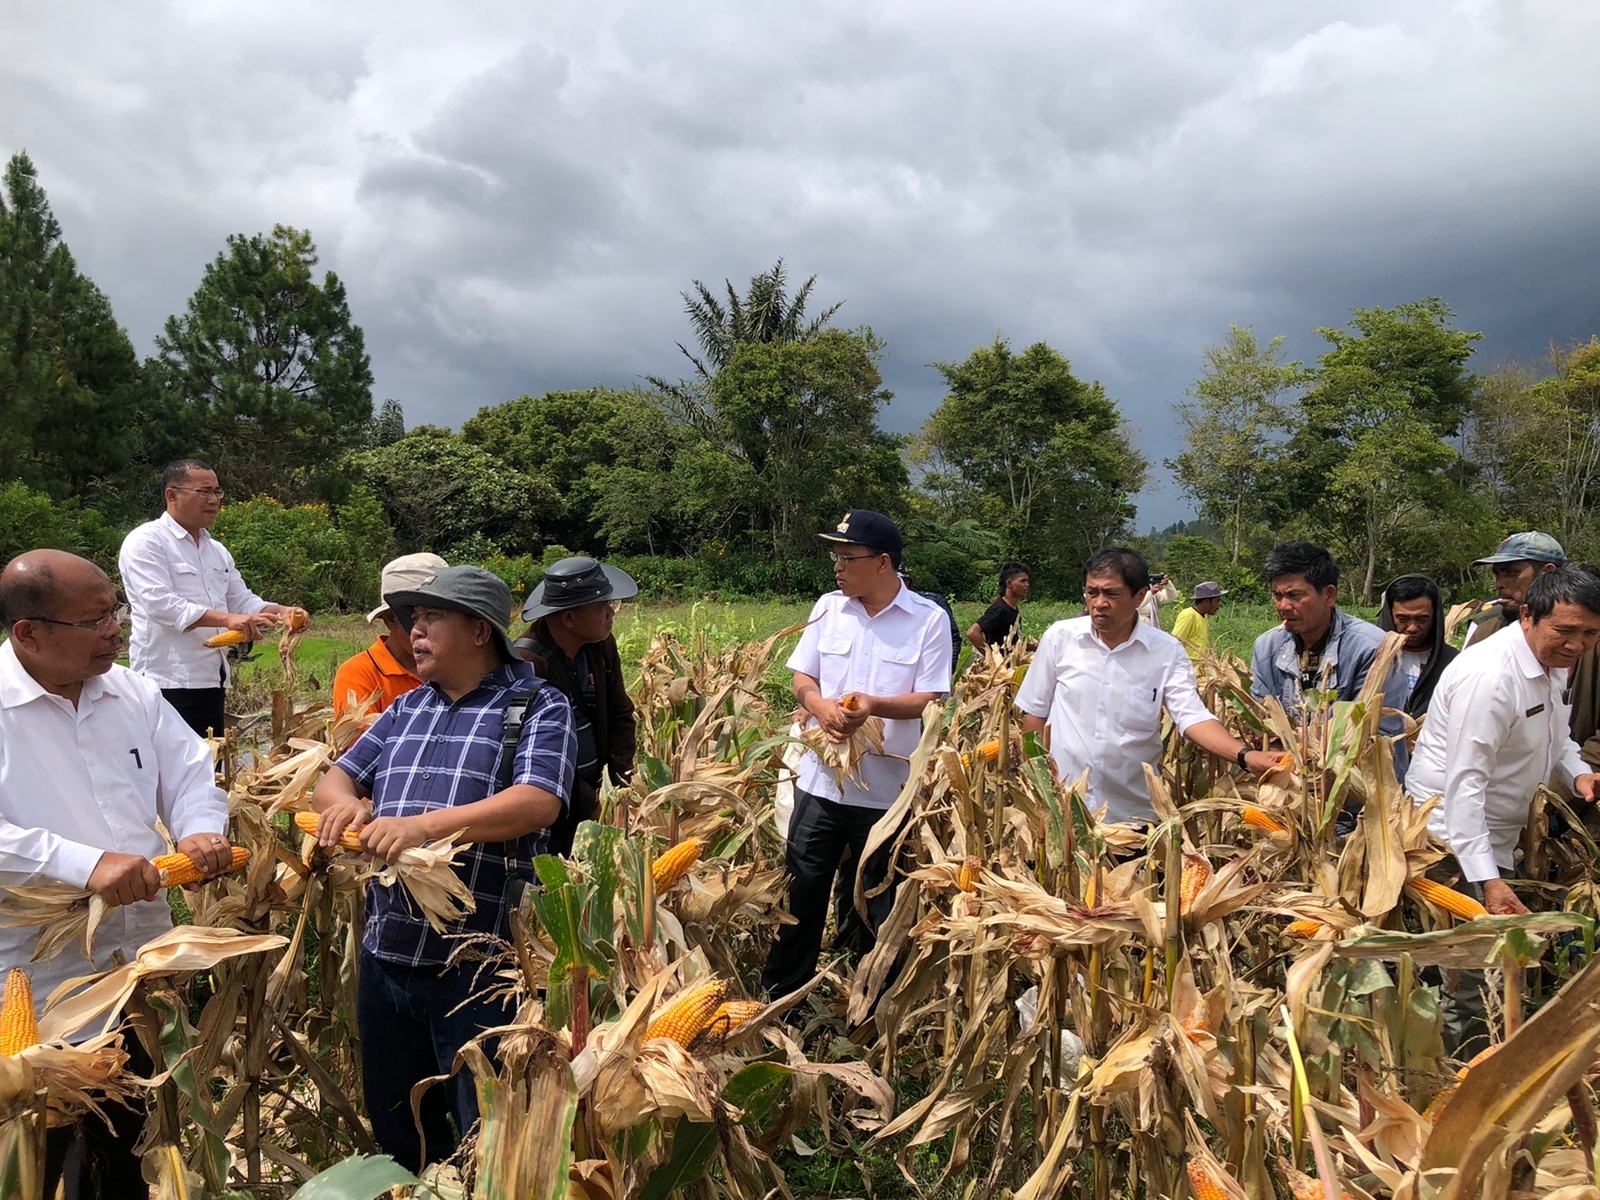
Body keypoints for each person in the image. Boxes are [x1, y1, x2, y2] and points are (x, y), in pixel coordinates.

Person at [307, 566, 576, 1171]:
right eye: (412, 620)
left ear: (479, 631)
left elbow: (539, 800)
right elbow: (335, 779)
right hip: (388, 952)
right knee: (402, 1127)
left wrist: (421, 825)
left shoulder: (535, 705)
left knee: (487, 1127)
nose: (415, 631)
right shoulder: (406, 710)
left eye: (430, 618)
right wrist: (346, 804)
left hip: (476, 962)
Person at [0, 550, 236, 1198]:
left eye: (117, 612)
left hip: (136, 974)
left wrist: (198, 828)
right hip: (33, 987)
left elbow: (190, 772)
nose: (116, 629)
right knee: (32, 1160)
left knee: (125, 1151)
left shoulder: (134, 691)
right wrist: (86, 865)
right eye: (96, 618)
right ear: (29, 633)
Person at [1404, 567, 1600, 1054]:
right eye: (1567, 632)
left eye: (1591, 634)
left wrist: (1578, 773)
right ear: (1529, 615)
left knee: (1487, 974)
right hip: (1453, 844)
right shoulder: (1491, 678)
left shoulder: (1546, 660)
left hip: (1495, 839)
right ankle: (1456, 1088)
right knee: (1467, 982)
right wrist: (1488, 880)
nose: (1577, 645)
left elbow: (1558, 738)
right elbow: (1463, 787)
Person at [760, 511, 953, 1001]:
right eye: (836, 557)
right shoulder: (828, 607)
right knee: (799, 893)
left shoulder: (928, 621)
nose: (838, 568)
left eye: (849, 558)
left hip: (887, 791)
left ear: (884, 562)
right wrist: (819, 704)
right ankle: (783, 998)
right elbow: (802, 676)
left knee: (876, 898)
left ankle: (871, 1001)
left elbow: (932, 697)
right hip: (821, 784)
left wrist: (873, 705)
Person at [1015, 548, 1281, 826]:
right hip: (1064, 814)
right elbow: (1035, 714)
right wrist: (1039, 788)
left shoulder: (1166, 651)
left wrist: (1244, 755)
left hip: (1133, 818)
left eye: (1111, 594)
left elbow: (1192, 716)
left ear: (1140, 597)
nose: (1099, 603)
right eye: (1092, 592)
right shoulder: (1060, 637)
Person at [118, 459, 304, 738]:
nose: (214, 500)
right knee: (168, 777)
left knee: (210, 769)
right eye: (204, 492)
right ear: (172, 495)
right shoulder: (146, 542)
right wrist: (229, 619)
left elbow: (241, 601)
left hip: (212, 679)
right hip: (166, 681)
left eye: (217, 492)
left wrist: (282, 612)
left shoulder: (216, 550)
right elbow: (160, 605)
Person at [515, 556, 639, 856]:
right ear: (569, 618)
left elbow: (621, 714)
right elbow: (534, 753)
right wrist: (592, 804)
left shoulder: (601, 644)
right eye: (602, 608)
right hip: (555, 807)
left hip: (603, 793)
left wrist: (617, 790)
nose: (611, 614)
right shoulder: (528, 663)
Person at [1249, 542, 1405, 727]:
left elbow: (1375, 732)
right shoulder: (1267, 647)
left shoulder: (1372, 649)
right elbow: (1263, 719)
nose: (1283, 606)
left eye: (1294, 595)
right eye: (1277, 595)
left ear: (1329, 595)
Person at [331, 553, 448, 718]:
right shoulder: (360, 673)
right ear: (391, 619)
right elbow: (359, 742)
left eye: (437, 616)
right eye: (416, 618)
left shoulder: (455, 666)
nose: (428, 630)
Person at [1462, 531, 1566, 648]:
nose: (1499, 584)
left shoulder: (1583, 630)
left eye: (1512, 572)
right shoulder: (1486, 629)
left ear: (1547, 573)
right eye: (1497, 574)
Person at [968, 562, 1029, 652]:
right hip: (1000, 665)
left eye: (1027, 581)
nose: (1027, 584)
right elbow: (973, 633)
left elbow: (1011, 645)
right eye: (1022, 581)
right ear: (1009, 583)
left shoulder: (1013, 608)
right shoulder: (999, 610)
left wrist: (1034, 646)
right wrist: (991, 658)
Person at [1171, 581, 1227, 660]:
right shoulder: (1189, 615)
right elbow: (1174, 642)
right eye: (1217, 601)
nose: (1218, 606)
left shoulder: (1203, 617)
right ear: (1206, 602)